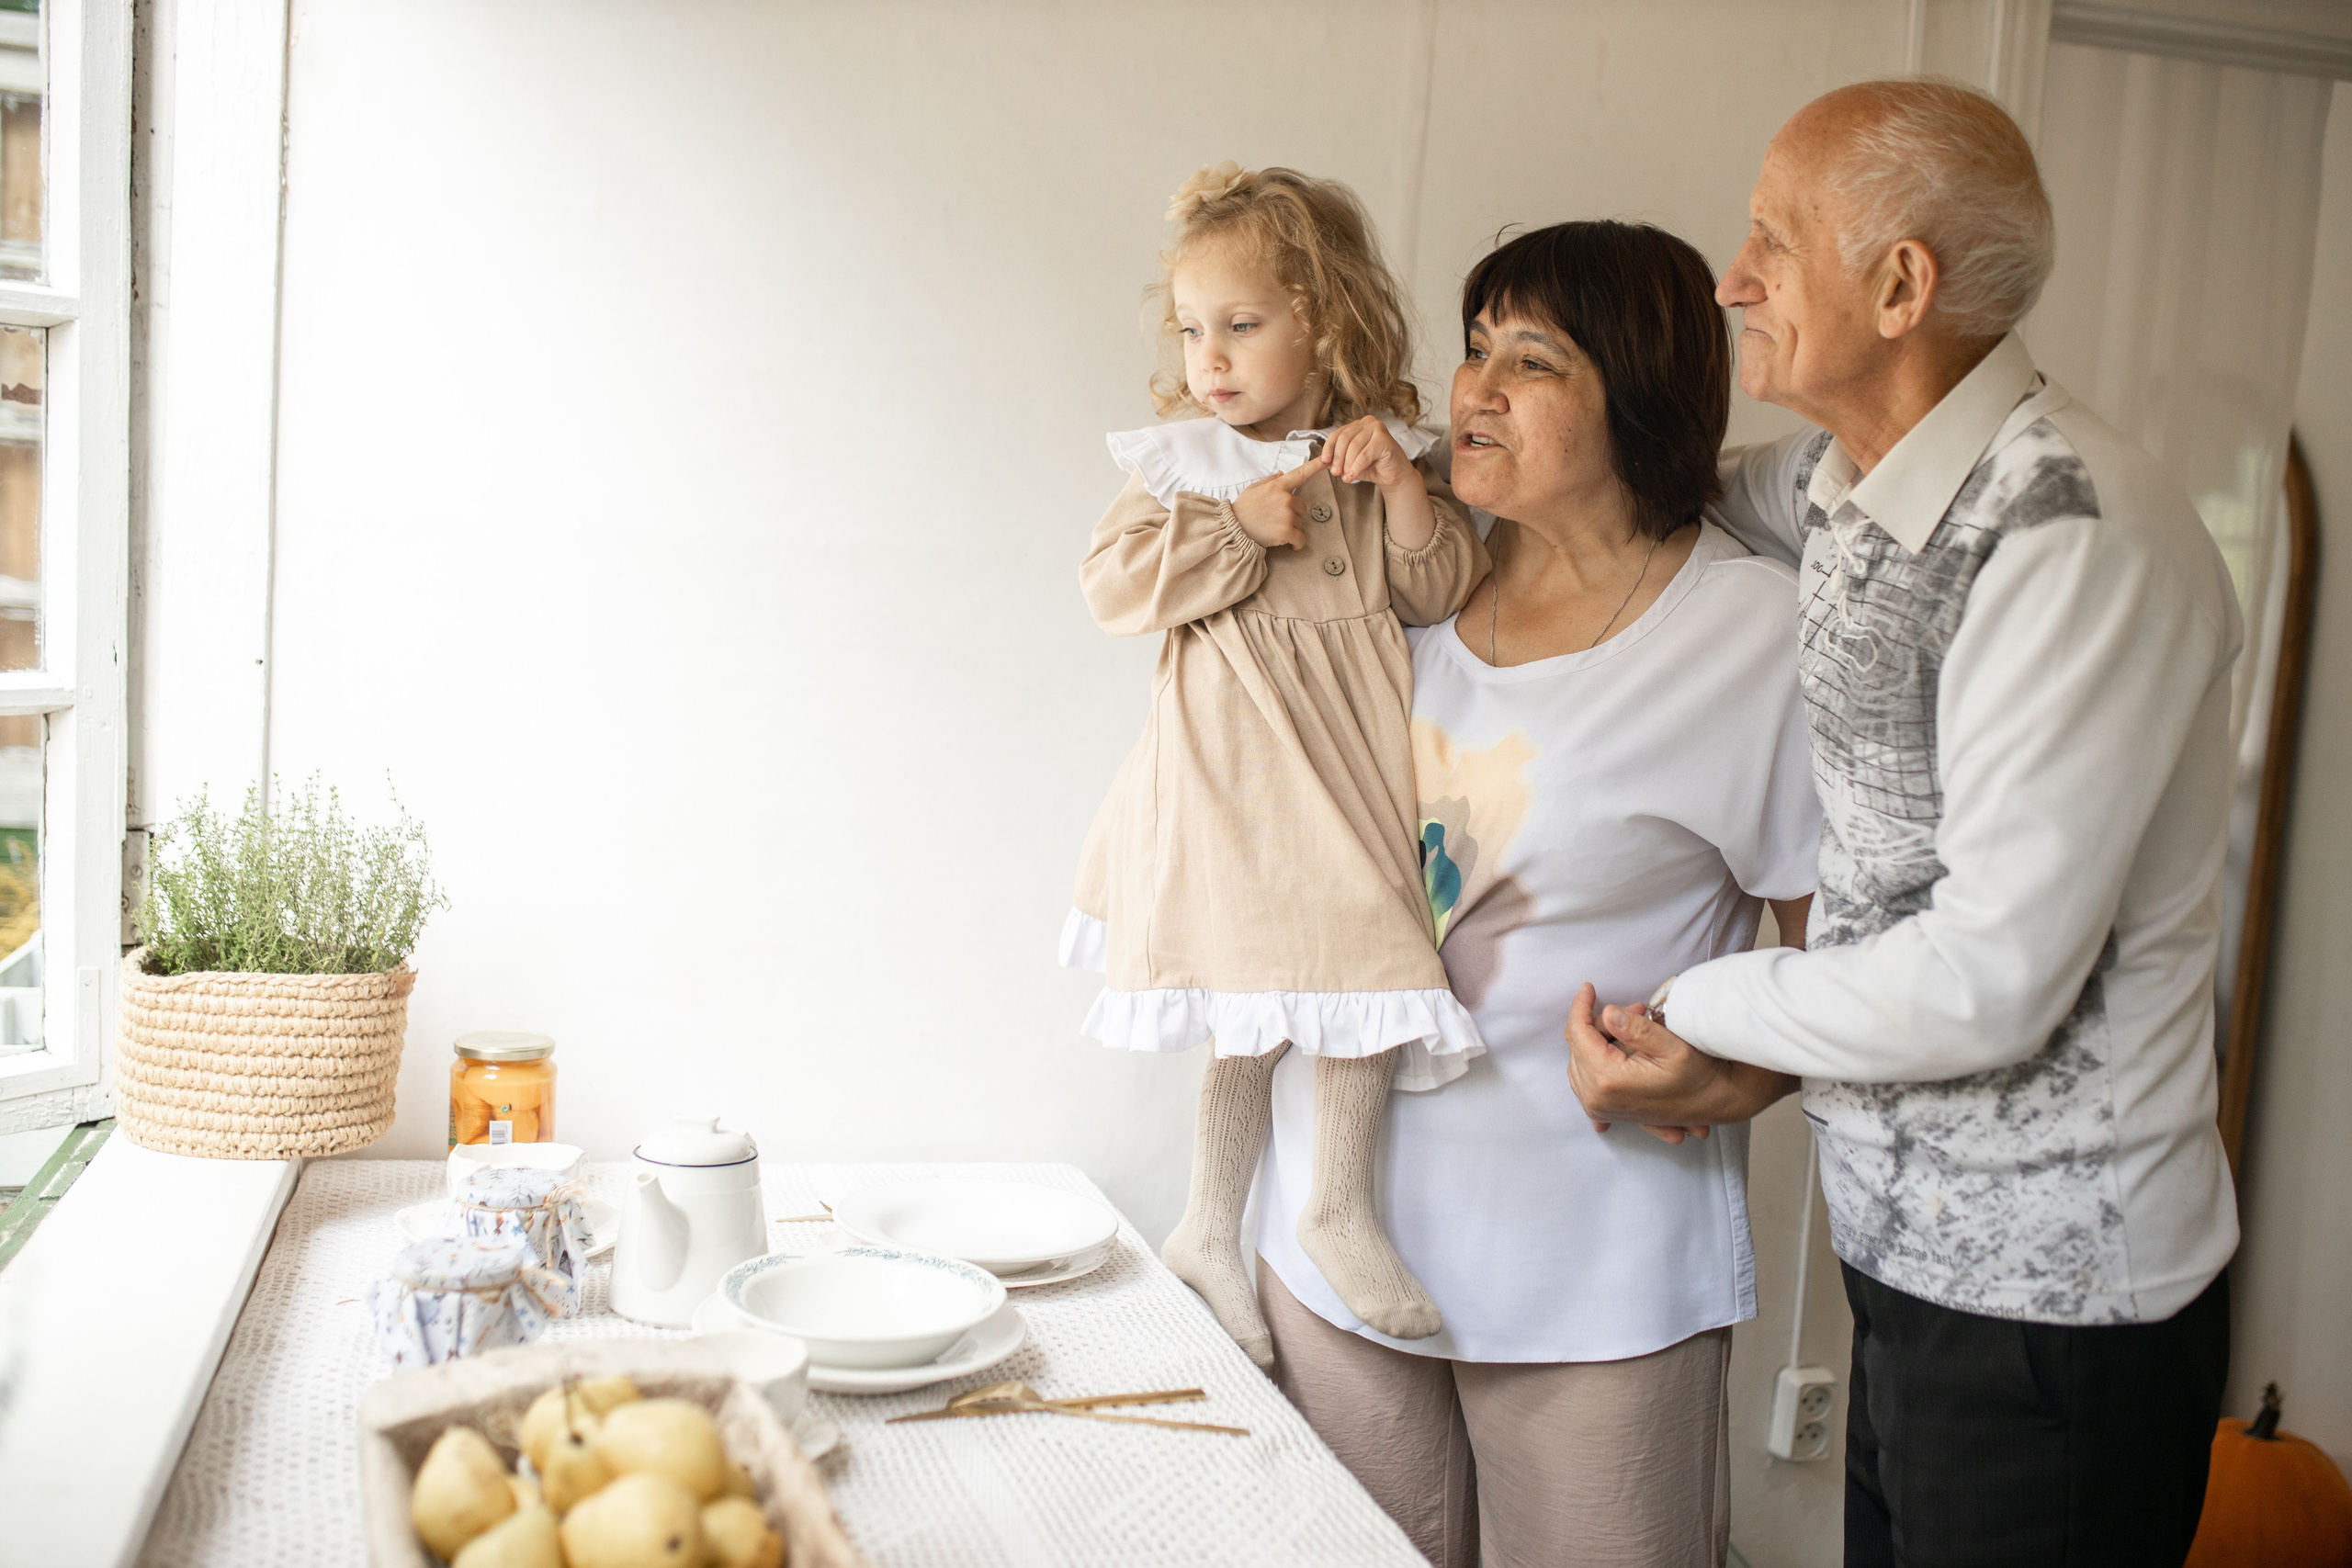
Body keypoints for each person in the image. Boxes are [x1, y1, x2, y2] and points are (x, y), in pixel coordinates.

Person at [1565, 81, 2241, 1568]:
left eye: (1770, 242)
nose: (1733, 277)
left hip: (2056, 1320)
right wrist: (1425, 457)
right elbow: (1665, 497)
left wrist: (1707, 1007)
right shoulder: (1845, 484)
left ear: (1899, 286)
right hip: (1912, 1270)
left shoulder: (2072, 537)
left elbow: (1992, 977)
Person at [1253, 220, 1822, 1568]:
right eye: (1471, 350)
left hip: (1596, 1272)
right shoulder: (1405, 563)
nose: (1474, 393)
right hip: (1336, 1225)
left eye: (1532, 359)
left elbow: (1839, 957)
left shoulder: (1752, 636)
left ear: (1640, 395)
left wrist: (1737, 1078)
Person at [1062, 163, 1489, 1366]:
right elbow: (1112, 588)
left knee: (1371, 959)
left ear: (1327, 319)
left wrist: (1404, 483)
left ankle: (1333, 1201)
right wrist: (1234, 530)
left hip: (1345, 764)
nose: (1213, 357)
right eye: (1195, 330)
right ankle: (1211, 1221)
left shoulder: (1371, 458)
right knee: (1242, 1001)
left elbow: (1438, 586)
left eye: (1242, 326)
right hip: (1230, 772)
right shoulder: (1187, 463)